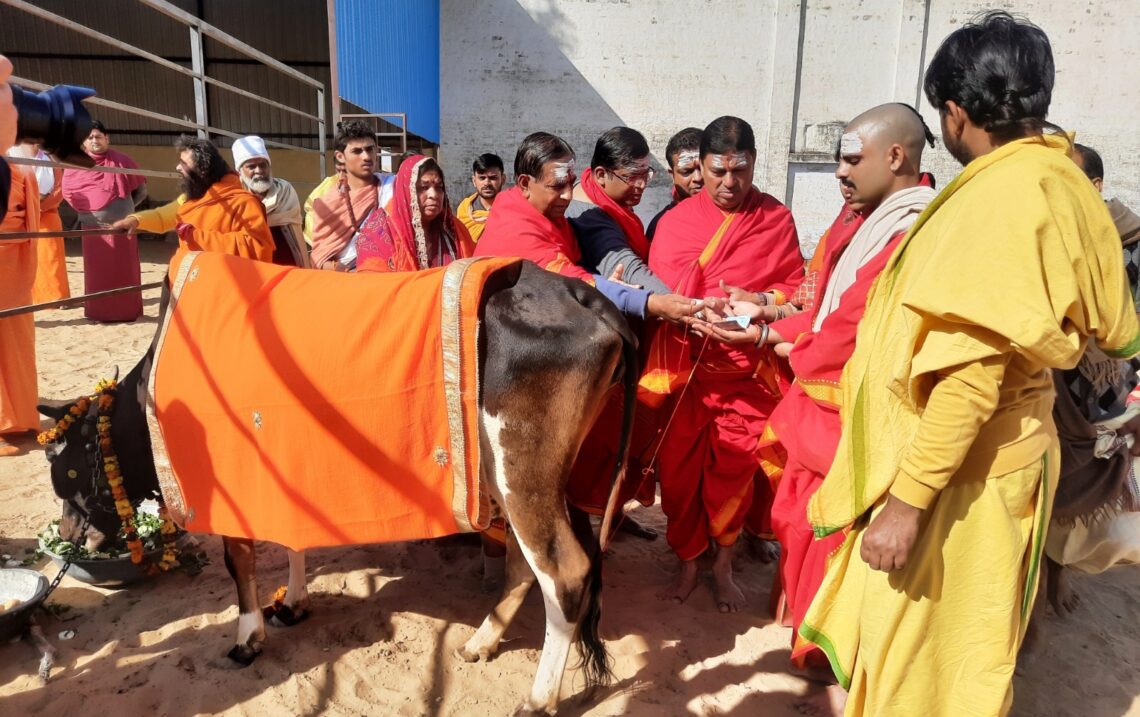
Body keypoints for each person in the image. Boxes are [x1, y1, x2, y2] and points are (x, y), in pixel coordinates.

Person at [797, 13, 1140, 716]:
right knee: (970, 640)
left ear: (955, 114)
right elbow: (1101, 327)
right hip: (1008, 451)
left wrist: (905, 504)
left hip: (969, 471)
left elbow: (970, 375)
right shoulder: (1060, 176)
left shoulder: (1000, 201)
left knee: (928, 662)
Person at [699, 104, 936, 667]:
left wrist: (766, 338)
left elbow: (846, 325)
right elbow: (816, 295)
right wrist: (763, 315)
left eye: (851, 160)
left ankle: (826, 661)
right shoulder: (859, 218)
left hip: (853, 413)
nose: (838, 173)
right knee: (797, 520)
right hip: (798, 384)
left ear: (896, 156)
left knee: (827, 532)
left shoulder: (909, 229)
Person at [647, 116, 804, 613]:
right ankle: (690, 560)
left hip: (747, 373)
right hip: (687, 374)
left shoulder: (775, 219)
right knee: (677, 475)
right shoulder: (675, 222)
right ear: (700, 166)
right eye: (717, 172)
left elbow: (797, 290)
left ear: (755, 163)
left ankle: (723, 563)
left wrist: (759, 297)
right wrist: (691, 314)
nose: (729, 183)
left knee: (734, 472)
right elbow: (660, 293)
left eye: (740, 171)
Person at [1038, 144, 1140, 620]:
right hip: (1051, 378)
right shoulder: (1057, 234)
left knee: (1083, 480)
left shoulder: (1132, 242)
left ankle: (1057, 572)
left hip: (1104, 387)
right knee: (1043, 480)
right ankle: (1038, 574)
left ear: (1095, 187)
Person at [562, 127, 673, 539]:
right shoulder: (590, 213)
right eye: (634, 176)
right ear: (603, 174)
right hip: (590, 351)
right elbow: (622, 265)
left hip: (617, 341)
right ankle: (582, 525)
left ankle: (610, 515)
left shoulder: (615, 205)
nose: (643, 185)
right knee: (592, 440)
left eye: (648, 174)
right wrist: (679, 303)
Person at [474, 131, 696, 323]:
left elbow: (578, 272)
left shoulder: (552, 215)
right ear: (524, 184)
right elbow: (571, 280)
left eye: (571, 183)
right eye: (557, 186)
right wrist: (653, 303)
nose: (568, 195)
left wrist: (608, 286)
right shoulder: (515, 225)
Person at [112, 136, 273, 263]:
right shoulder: (192, 197)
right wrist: (135, 220)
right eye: (251, 166)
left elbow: (257, 248)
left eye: (183, 163)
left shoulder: (242, 202)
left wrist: (196, 236)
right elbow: (162, 217)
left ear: (202, 170)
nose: (177, 167)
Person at [61, 120, 147, 321]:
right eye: (90, 137)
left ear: (107, 138)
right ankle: (99, 312)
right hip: (93, 230)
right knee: (98, 273)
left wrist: (123, 208)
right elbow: (69, 194)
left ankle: (127, 311)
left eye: (98, 136)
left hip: (122, 227)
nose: (95, 140)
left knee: (125, 270)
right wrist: (90, 212)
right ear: (84, 142)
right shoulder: (76, 165)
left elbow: (141, 190)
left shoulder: (122, 161)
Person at [355, 154, 473, 272]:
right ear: (407, 191)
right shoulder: (379, 230)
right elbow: (372, 279)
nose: (434, 195)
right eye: (424, 187)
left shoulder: (454, 229)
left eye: (439, 187)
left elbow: (472, 270)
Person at [309, 121, 396, 271]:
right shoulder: (328, 204)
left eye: (370, 149)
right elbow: (319, 257)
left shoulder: (392, 187)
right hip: (345, 283)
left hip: (387, 276)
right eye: (357, 151)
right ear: (340, 156)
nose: (366, 157)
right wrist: (337, 268)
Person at [0, 158, 40, 456]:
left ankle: (22, 418)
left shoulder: (18, 166)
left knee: (17, 341)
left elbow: (31, 209)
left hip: (14, 263)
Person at [231, 135, 309, 267]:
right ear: (240, 172)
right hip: (254, 267)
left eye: (263, 165)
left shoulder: (285, 190)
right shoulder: (235, 198)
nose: (259, 171)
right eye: (251, 167)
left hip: (289, 263)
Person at [8, 140, 69, 301]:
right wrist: (25, 207)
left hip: (47, 212)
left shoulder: (51, 157)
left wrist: (40, 206)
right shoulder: (11, 154)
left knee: (51, 254)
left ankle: (57, 297)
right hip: (20, 214)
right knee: (22, 256)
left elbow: (60, 187)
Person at [646, 127, 703, 240]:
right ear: (672, 175)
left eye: (704, 169)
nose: (698, 178)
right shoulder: (662, 225)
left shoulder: (738, 213)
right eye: (687, 171)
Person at [455, 153, 504, 243]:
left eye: (493, 178)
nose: (487, 183)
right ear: (474, 181)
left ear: (503, 179)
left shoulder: (512, 209)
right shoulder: (464, 211)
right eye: (482, 178)